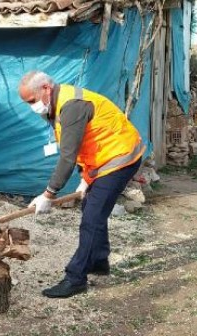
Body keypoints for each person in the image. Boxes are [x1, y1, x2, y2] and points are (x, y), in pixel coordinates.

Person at [18, 71, 146, 298]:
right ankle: (98, 261)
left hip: (120, 157)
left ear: (46, 88)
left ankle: (76, 278)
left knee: (92, 218)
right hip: (104, 157)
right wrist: (86, 178)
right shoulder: (57, 104)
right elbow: (87, 142)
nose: (32, 107)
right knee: (91, 209)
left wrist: (49, 194)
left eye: (32, 101)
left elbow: (67, 156)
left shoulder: (71, 106)